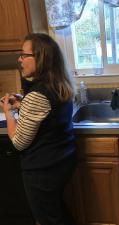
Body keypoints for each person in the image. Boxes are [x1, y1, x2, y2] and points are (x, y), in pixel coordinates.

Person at [0, 33, 76, 225]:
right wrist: (23, 104)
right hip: (61, 161)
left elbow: (18, 142)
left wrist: (8, 112)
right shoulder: (59, 85)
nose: (20, 59)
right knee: (56, 212)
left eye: (24, 55)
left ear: (41, 58)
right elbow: (48, 115)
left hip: (42, 169)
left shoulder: (38, 95)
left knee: (47, 219)